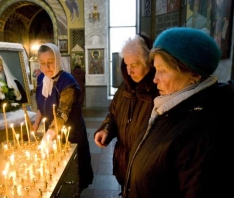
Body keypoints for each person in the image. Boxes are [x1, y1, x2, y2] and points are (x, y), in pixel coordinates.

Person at [123, 27, 234, 198]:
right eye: (155, 69)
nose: (155, 79)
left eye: (163, 71)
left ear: (193, 74)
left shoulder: (202, 132)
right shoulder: (169, 106)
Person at [94, 34, 159, 194]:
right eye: (126, 64)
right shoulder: (125, 88)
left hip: (147, 170)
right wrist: (106, 130)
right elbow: (114, 114)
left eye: (135, 65)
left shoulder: (159, 90)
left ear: (149, 63)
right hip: (123, 162)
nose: (129, 71)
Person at [32, 43, 93, 192]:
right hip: (51, 130)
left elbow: (62, 112)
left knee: (72, 169)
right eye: (42, 63)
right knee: (55, 169)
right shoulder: (41, 78)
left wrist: (49, 135)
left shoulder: (67, 81)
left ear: (57, 60)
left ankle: (74, 191)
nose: (46, 67)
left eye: (50, 62)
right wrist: (36, 124)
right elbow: (42, 103)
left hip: (70, 131)